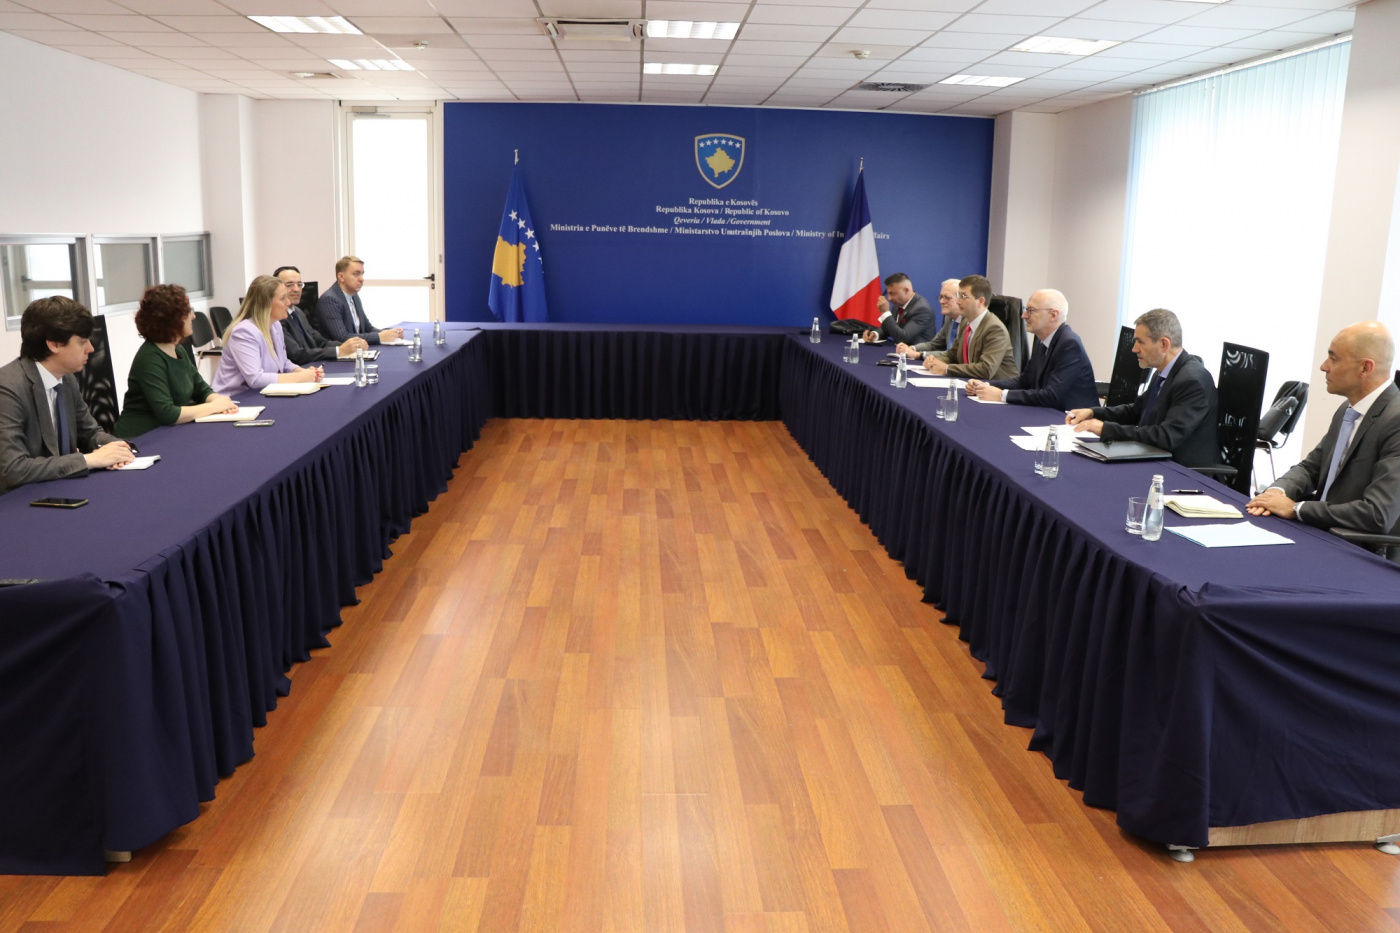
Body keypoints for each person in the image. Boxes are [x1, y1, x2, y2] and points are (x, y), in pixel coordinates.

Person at [1247, 321, 1400, 538]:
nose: (1323, 366)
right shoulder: (1348, 410)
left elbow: (1377, 514)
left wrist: (1295, 509)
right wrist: (1276, 492)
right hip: (1321, 533)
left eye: (1333, 359)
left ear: (1365, 368)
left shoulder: (1395, 421)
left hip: (1357, 547)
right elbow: (1311, 468)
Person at [0, 296, 133, 492]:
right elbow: (13, 469)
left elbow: (89, 433)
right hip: (18, 501)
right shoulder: (8, 388)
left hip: (61, 489)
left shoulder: (67, 378)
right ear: (54, 345)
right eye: (82, 342)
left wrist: (116, 447)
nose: (91, 349)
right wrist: (89, 460)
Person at [1066, 307, 1218, 467]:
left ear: (1164, 344)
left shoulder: (1192, 381)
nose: (1134, 349)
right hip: (1156, 458)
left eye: (1140, 341)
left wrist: (1105, 429)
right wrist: (1093, 413)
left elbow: (1166, 437)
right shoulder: (1163, 372)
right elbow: (1136, 411)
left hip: (1182, 469)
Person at [111, 285, 238, 438]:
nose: (193, 316)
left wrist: (220, 402)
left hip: (166, 432)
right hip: (140, 438)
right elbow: (168, 413)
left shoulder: (178, 350)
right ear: (172, 320)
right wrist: (214, 407)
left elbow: (201, 389)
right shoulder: (150, 358)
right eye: (188, 311)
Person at [965, 288, 1098, 410]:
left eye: (1031, 310)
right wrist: (986, 385)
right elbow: (1024, 381)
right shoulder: (1041, 341)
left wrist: (1001, 395)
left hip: (1073, 419)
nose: (1023, 315)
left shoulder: (1069, 344)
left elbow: (1051, 395)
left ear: (1053, 315)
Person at [212, 275, 324, 395]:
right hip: (235, 398)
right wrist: (301, 377)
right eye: (283, 298)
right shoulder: (243, 332)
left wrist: (304, 372)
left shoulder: (275, 325)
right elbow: (255, 379)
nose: (288, 302)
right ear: (265, 303)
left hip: (259, 394)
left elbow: (283, 363)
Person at [916, 275, 1016, 380]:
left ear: (980, 301)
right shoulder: (965, 323)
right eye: (958, 296)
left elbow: (986, 369)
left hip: (997, 387)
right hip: (972, 383)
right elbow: (952, 355)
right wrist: (935, 361)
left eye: (963, 296)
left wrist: (947, 369)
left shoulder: (995, 329)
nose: (958, 301)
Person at [274, 266, 369, 364]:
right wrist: (338, 351)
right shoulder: (277, 318)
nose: (296, 289)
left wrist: (351, 346)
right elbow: (297, 355)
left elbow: (320, 342)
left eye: (299, 284)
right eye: (289, 285)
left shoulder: (298, 312)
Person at [312, 256, 403, 346]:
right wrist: (379, 337)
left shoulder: (354, 296)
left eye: (362, 274)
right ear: (341, 276)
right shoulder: (329, 300)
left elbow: (368, 328)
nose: (361, 279)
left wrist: (391, 333)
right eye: (356, 274)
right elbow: (342, 337)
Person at [861, 273, 936, 346]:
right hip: (901, 350)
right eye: (888, 293)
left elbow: (903, 338)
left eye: (892, 293)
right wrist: (875, 334)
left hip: (918, 352)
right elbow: (888, 329)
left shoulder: (922, 309)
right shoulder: (898, 305)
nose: (889, 298)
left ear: (906, 290)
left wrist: (886, 313)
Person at [895, 278, 960, 358]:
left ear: (960, 299)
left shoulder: (968, 322)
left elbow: (954, 355)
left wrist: (919, 355)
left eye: (947, 298)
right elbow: (934, 344)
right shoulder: (948, 318)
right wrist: (912, 348)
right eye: (941, 297)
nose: (941, 301)